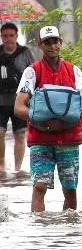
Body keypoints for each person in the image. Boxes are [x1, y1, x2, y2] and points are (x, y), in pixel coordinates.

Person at [12, 25, 82, 212]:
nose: (52, 46)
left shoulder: (74, 71)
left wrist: (67, 121)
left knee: (70, 189)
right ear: (40, 46)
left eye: (55, 41)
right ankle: (41, 235)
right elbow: (19, 107)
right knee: (39, 186)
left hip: (69, 138)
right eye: (47, 42)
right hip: (41, 138)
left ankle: (69, 231)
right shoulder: (32, 72)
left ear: (60, 43)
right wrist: (45, 124)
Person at [0, 22, 36, 174]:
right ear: (1, 37)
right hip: (0, 100)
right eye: (5, 36)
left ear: (16, 36)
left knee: (20, 134)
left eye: (11, 35)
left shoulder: (25, 52)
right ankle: (1, 165)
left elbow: (35, 73)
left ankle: (17, 169)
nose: (8, 39)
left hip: (20, 100)